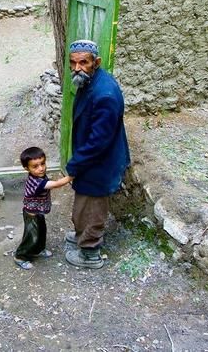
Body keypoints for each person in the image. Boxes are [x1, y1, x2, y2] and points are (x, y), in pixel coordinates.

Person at [64, 39, 130, 269]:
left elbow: (98, 141)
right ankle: (82, 233)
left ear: (96, 62)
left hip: (101, 161)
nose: (77, 68)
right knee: (83, 202)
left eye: (83, 62)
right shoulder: (90, 80)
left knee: (92, 205)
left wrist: (74, 166)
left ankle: (90, 251)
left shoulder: (105, 95)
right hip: (93, 158)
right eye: (73, 63)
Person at [14, 146, 73, 270]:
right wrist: (71, 177)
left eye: (43, 163)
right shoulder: (37, 182)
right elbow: (56, 184)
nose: (41, 168)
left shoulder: (39, 176)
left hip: (38, 211)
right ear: (26, 168)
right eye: (35, 166)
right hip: (31, 214)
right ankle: (21, 256)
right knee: (31, 236)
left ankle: (38, 250)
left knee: (41, 232)